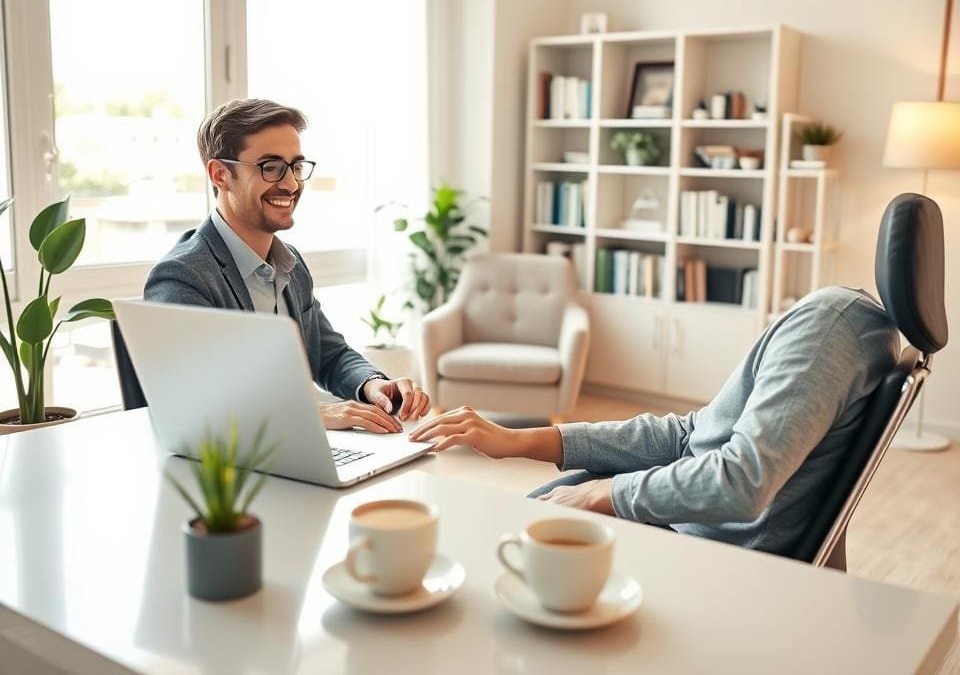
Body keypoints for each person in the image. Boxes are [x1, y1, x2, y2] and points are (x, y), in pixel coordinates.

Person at [410, 285, 899, 554]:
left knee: (490, 544)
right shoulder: (847, 324)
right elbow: (692, 436)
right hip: (686, 524)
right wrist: (522, 439)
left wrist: (604, 492)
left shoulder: (830, 325)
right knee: (500, 528)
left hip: (701, 550)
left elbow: (742, 481)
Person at [145, 98, 430, 434]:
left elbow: (328, 354)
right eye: (270, 166)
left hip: (299, 445)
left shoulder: (290, 265)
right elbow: (196, 400)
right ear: (220, 174)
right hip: (232, 466)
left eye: (295, 166)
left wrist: (371, 385)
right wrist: (309, 416)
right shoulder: (183, 276)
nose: (292, 184)